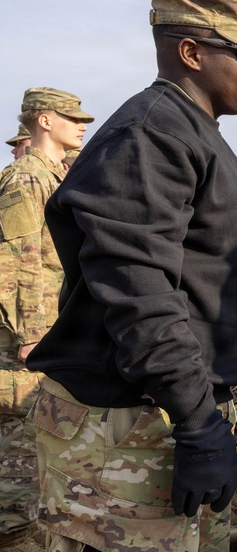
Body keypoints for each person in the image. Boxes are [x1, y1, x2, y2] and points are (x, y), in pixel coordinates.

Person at [26, 0, 237, 550]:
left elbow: (210, 274)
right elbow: (139, 288)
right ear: (190, 52)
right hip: (128, 420)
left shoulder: (194, 132)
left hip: (176, 405)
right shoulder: (149, 134)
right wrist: (196, 421)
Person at [0, 87, 92, 550]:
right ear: (44, 121)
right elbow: (16, 259)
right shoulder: (26, 177)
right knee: (21, 445)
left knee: (44, 439)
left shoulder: (53, 175)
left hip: (53, 326)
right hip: (33, 335)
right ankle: (16, 537)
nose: (82, 126)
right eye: (72, 117)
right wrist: (30, 332)